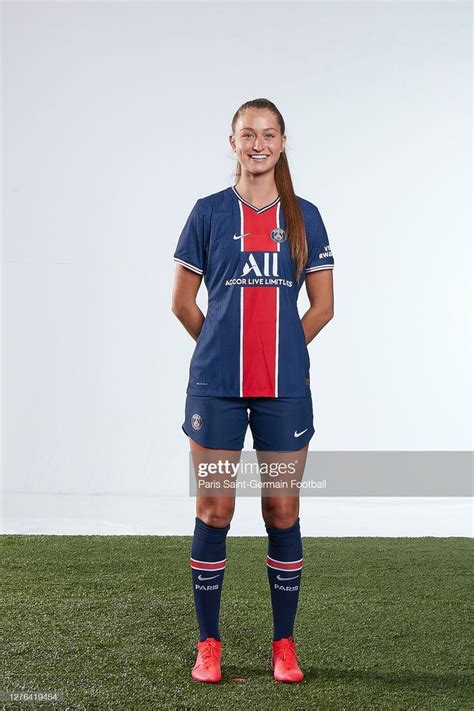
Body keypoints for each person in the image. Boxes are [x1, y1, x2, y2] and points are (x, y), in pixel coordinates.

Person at [171, 98, 334, 683]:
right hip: (215, 390)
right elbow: (183, 304)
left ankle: (283, 645)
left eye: (269, 134)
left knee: (282, 509)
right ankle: (208, 643)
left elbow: (323, 307)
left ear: (283, 142)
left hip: (284, 392)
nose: (258, 144)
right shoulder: (208, 213)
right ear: (232, 141)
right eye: (248, 134)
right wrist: (221, 347)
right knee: (215, 510)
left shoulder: (305, 216)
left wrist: (282, 352)